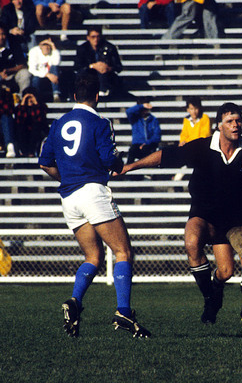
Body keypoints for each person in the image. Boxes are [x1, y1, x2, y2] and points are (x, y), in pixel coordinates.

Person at [119, 102, 242, 327]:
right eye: (230, 121)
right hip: (205, 214)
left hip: (237, 218)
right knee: (191, 241)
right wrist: (131, 166)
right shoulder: (202, 147)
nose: (235, 125)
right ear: (219, 126)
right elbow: (166, 156)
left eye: (238, 120)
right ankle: (211, 299)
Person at [38, 70, 151, 338]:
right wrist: (117, 163)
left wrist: (66, 176)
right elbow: (109, 159)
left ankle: (75, 302)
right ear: (97, 96)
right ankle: (123, 311)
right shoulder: (101, 122)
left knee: (93, 256)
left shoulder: (58, 123)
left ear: (75, 95)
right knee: (122, 251)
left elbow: (44, 162)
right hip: (92, 190)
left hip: (69, 197)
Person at [75, 28, 123, 98]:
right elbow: (77, 66)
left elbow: (119, 67)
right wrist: (92, 66)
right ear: (88, 37)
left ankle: (104, 90)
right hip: (88, 75)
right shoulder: (82, 48)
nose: (96, 39)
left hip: (106, 76)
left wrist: (108, 68)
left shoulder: (110, 47)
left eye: (98, 36)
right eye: (93, 37)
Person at [13, 85, 48, 157]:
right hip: (25, 133)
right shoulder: (19, 108)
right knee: (20, 128)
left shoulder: (41, 107)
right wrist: (23, 104)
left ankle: (31, 151)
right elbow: (19, 120)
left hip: (38, 132)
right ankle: (24, 151)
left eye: (31, 97)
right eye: (28, 98)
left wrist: (35, 104)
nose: (30, 100)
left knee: (36, 126)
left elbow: (39, 119)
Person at [125, 100, 160, 164]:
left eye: (145, 109)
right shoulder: (135, 119)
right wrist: (142, 105)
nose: (144, 111)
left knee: (146, 149)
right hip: (137, 144)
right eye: (142, 109)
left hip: (149, 144)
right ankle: (127, 168)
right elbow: (128, 111)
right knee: (132, 150)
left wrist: (147, 143)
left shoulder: (154, 120)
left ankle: (149, 170)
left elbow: (157, 136)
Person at [27, 36, 60, 101]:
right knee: (35, 79)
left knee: (55, 67)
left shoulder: (54, 51)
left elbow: (56, 63)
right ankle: (36, 98)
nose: (47, 47)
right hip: (39, 75)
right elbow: (32, 69)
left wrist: (53, 46)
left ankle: (56, 95)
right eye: (45, 44)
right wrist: (47, 75)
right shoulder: (34, 51)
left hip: (51, 75)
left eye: (49, 44)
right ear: (40, 45)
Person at [0, 25, 31, 93]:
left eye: (3, 34)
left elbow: (23, 65)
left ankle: (24, 98)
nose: (1, 37)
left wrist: (9, 70)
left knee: (25, 73)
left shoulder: (14, 43)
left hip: (13, 74)